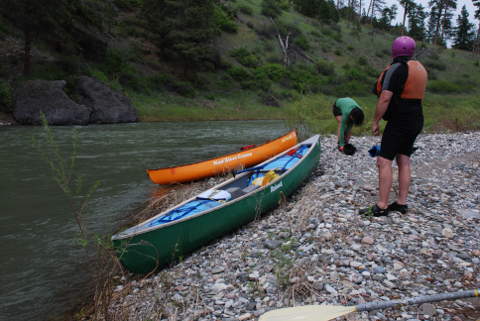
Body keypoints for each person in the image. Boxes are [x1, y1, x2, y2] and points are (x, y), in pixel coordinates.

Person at [360, 36, 428, 217]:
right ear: (411, 51)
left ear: (394, 51)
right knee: (404, 159)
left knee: (384, 161)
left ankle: (381, 206)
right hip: (416, 119)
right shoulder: (420, 69)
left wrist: (375, 121)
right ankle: (401, 203)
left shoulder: (396, 68)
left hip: (399, 121)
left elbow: (385, 97)